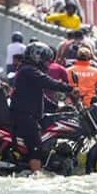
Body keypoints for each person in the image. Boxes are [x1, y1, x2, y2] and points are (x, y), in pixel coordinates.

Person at [11, 43, 79, 172]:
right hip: (24, 116)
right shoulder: (29, 70)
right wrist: (69, 88)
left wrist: (57, 108)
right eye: (46, 60)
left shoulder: (28, 70)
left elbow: (39, 96)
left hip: (28, 114)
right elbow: (48, 82)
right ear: (37, 57)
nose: (47, 64)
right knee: (36, 148)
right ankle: (37, 177)